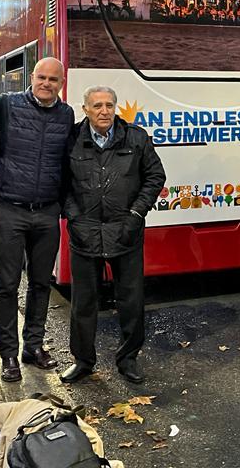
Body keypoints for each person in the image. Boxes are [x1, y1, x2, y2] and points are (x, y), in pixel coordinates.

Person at [61, 85, 165, 385]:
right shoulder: (71, 140)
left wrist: (136, 214)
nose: (104, 111)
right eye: (97, 106)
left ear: (116, 107)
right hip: (85, 234)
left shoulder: (136, 137)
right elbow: (62, 184)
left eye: (109, 105)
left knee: (131, 300)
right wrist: (75, 217)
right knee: (83, 303)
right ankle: (82, 361)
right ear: (85, 110)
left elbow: (155, 176)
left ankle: (128, 358)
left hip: (126, 232)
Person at [0, 58, 76, 382]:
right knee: (7, 285)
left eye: (53, 79)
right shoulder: (6, 106)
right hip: (9, 209)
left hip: (47, 211)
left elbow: (66, 162)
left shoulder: (66, 115)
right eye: (41, 77)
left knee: (40, 283)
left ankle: (32, 346)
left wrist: (64, 206)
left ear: (61, 83)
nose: (46, 83)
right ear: (31, 78)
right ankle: (8, 355)